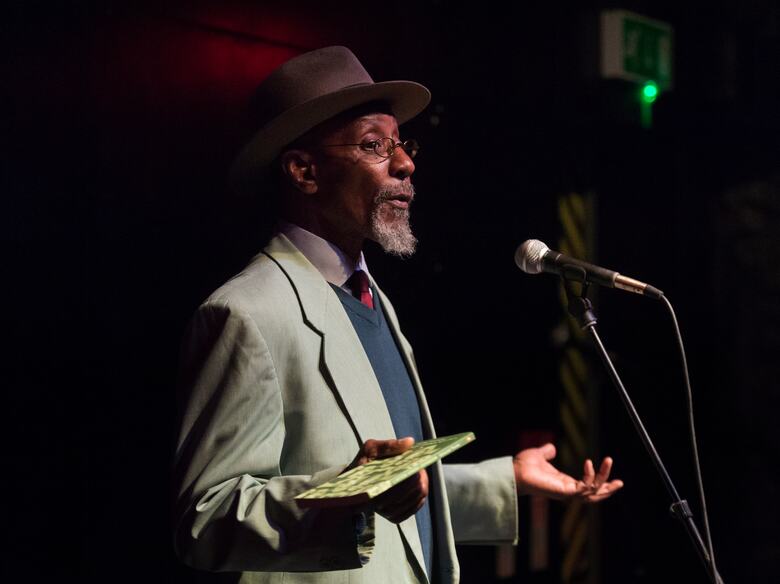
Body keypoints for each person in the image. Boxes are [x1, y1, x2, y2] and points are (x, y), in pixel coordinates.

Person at [172, 46, 623, 584]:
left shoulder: (369, 296)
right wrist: (350, 497)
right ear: (303, 171)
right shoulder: (247, 313)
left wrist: (503, 481)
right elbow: (205, 519)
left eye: (401, 145)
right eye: (372, 146)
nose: (406, 163)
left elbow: (388, 491)